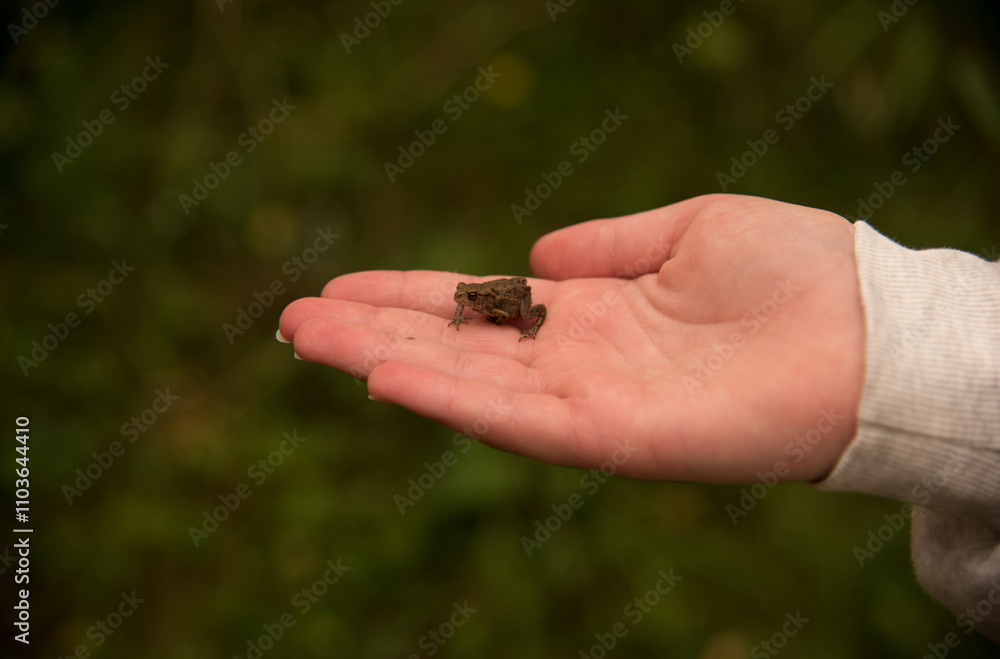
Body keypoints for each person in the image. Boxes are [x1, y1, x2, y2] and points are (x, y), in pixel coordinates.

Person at [277, 193, 1000, 643]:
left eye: (474, 300)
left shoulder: (508, 303)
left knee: (528, 307)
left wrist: (877, 335)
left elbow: (527, 305)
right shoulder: (473, 301)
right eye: (470, 300)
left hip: (529, 312)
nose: (469, 302)